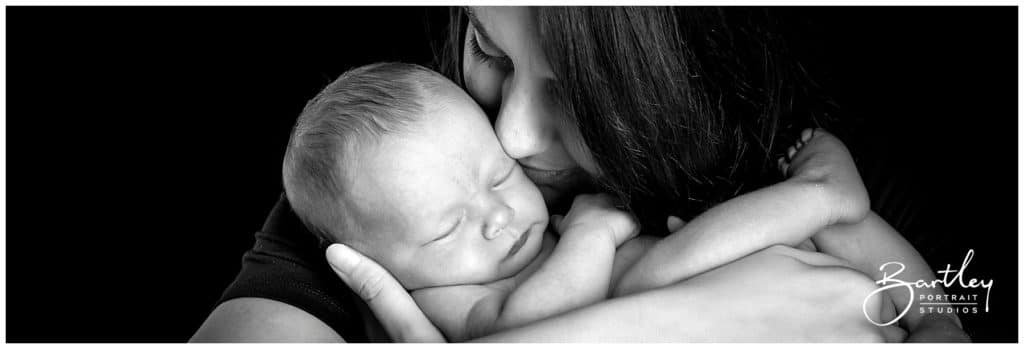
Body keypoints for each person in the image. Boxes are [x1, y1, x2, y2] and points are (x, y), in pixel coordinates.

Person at [192, 7, 969, 342]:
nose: (511, 134)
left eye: (580, 95)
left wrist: (940, 325)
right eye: (488, 52)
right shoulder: (388, 171)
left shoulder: (791, 131)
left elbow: (911, 287)